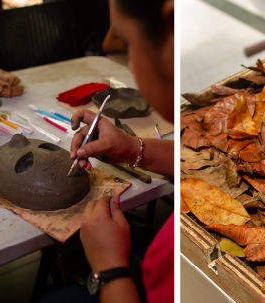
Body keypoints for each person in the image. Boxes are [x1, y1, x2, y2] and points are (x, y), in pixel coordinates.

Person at [66, 0, 175, 302]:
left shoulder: (173, 253)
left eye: (127, 44)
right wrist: (131, 149)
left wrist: (109, 267)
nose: (128, 64)